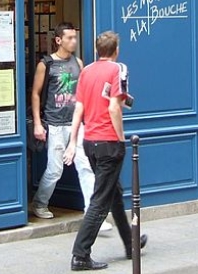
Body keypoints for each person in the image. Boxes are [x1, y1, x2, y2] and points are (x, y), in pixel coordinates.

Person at [64, 31, 147, 271]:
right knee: (101, 200)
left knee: (113, 194)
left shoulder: (87, 71)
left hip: (89, 141)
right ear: (116, 50)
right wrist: (120, 138)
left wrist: (73, 140)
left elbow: (79, 108)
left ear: (98, 50)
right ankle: (80, 254)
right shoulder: (118, 69)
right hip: (108, 142)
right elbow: (114, 108)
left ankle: (131, 243)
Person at [30, 23, 112, 231]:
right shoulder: (46, 64)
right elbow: (36, 93)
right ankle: (40, 203)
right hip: (55, 124)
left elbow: (84, 93)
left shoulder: (79, 63)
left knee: (85, 167)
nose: (73, 41)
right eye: (69, 38)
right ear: (58, 40)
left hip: (76, 123)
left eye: (75, 37)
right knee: (54, 169)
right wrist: (38, 124)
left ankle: (92, 213)